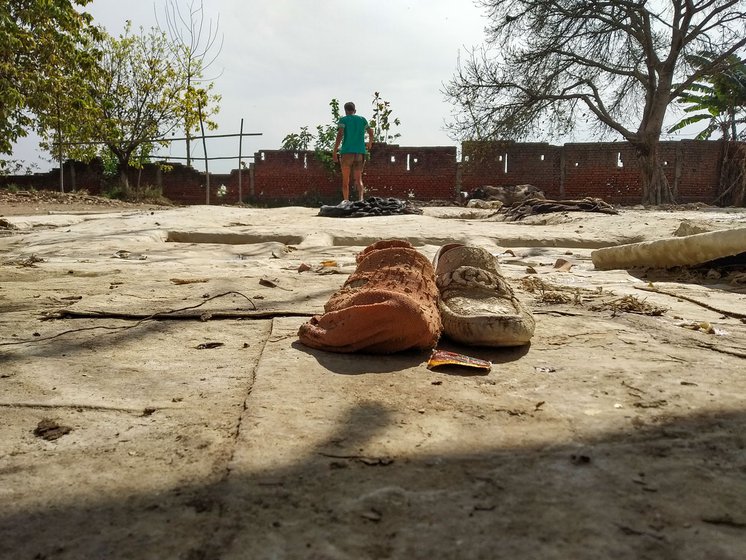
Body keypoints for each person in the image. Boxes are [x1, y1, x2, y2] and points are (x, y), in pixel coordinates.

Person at [332, 101, 374, 202]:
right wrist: (370, 143)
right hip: (360, 152)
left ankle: (346, 201)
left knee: (345, 181)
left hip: (347, 152)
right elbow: (371, 132)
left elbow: (340, 134)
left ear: (345, 110)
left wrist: (335, 151)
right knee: (358, 179)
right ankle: (361, 200)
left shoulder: (343, 120)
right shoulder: (362, 119)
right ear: (354, 110)